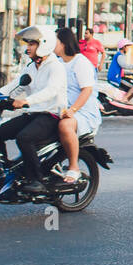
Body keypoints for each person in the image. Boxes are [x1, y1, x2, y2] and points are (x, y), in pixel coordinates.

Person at [0, 26, 67, 193]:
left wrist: (26, 101)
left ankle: (36, 180)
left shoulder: (55, 67)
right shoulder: (31, 67)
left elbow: (50, 91)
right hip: (32, 114)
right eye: (27, 44)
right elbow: (14, 86)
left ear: (43, 45)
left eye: (32, 44)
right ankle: (5, 171)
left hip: (50, 116)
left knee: (24, 138)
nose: (28, 48)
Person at [54, 27, 102, 184]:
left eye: (54, 41)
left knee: (65, 126)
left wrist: (73, 110)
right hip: (62, 109)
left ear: (63, 43)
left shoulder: (80, 62)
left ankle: (73, 167)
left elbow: (87, 89)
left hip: (83, 113)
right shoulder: (57, 63)